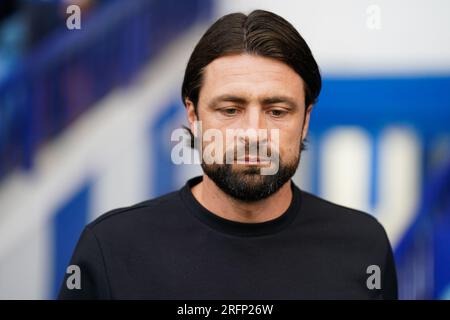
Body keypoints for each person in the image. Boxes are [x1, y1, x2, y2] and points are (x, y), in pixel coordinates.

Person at [59, 9, 398, 300]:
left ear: (306, 120)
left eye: (277, 111)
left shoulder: (362, 245)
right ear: (193, 117)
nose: (253, 132)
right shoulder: (112, 249)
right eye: (230, 109)